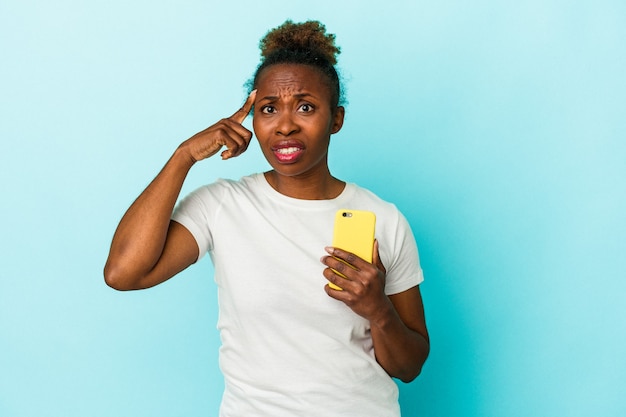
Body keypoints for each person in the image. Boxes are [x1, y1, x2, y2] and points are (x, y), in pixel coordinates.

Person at [104, 20, 429, 417]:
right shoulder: (223, 205)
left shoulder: (383, 219)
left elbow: (409, 367)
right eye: (269, 109)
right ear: (253, 119)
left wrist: (378, 309)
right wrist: (183, 157)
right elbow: (123, 273)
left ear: (337, 119)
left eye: (306, 107)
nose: (286, 125)